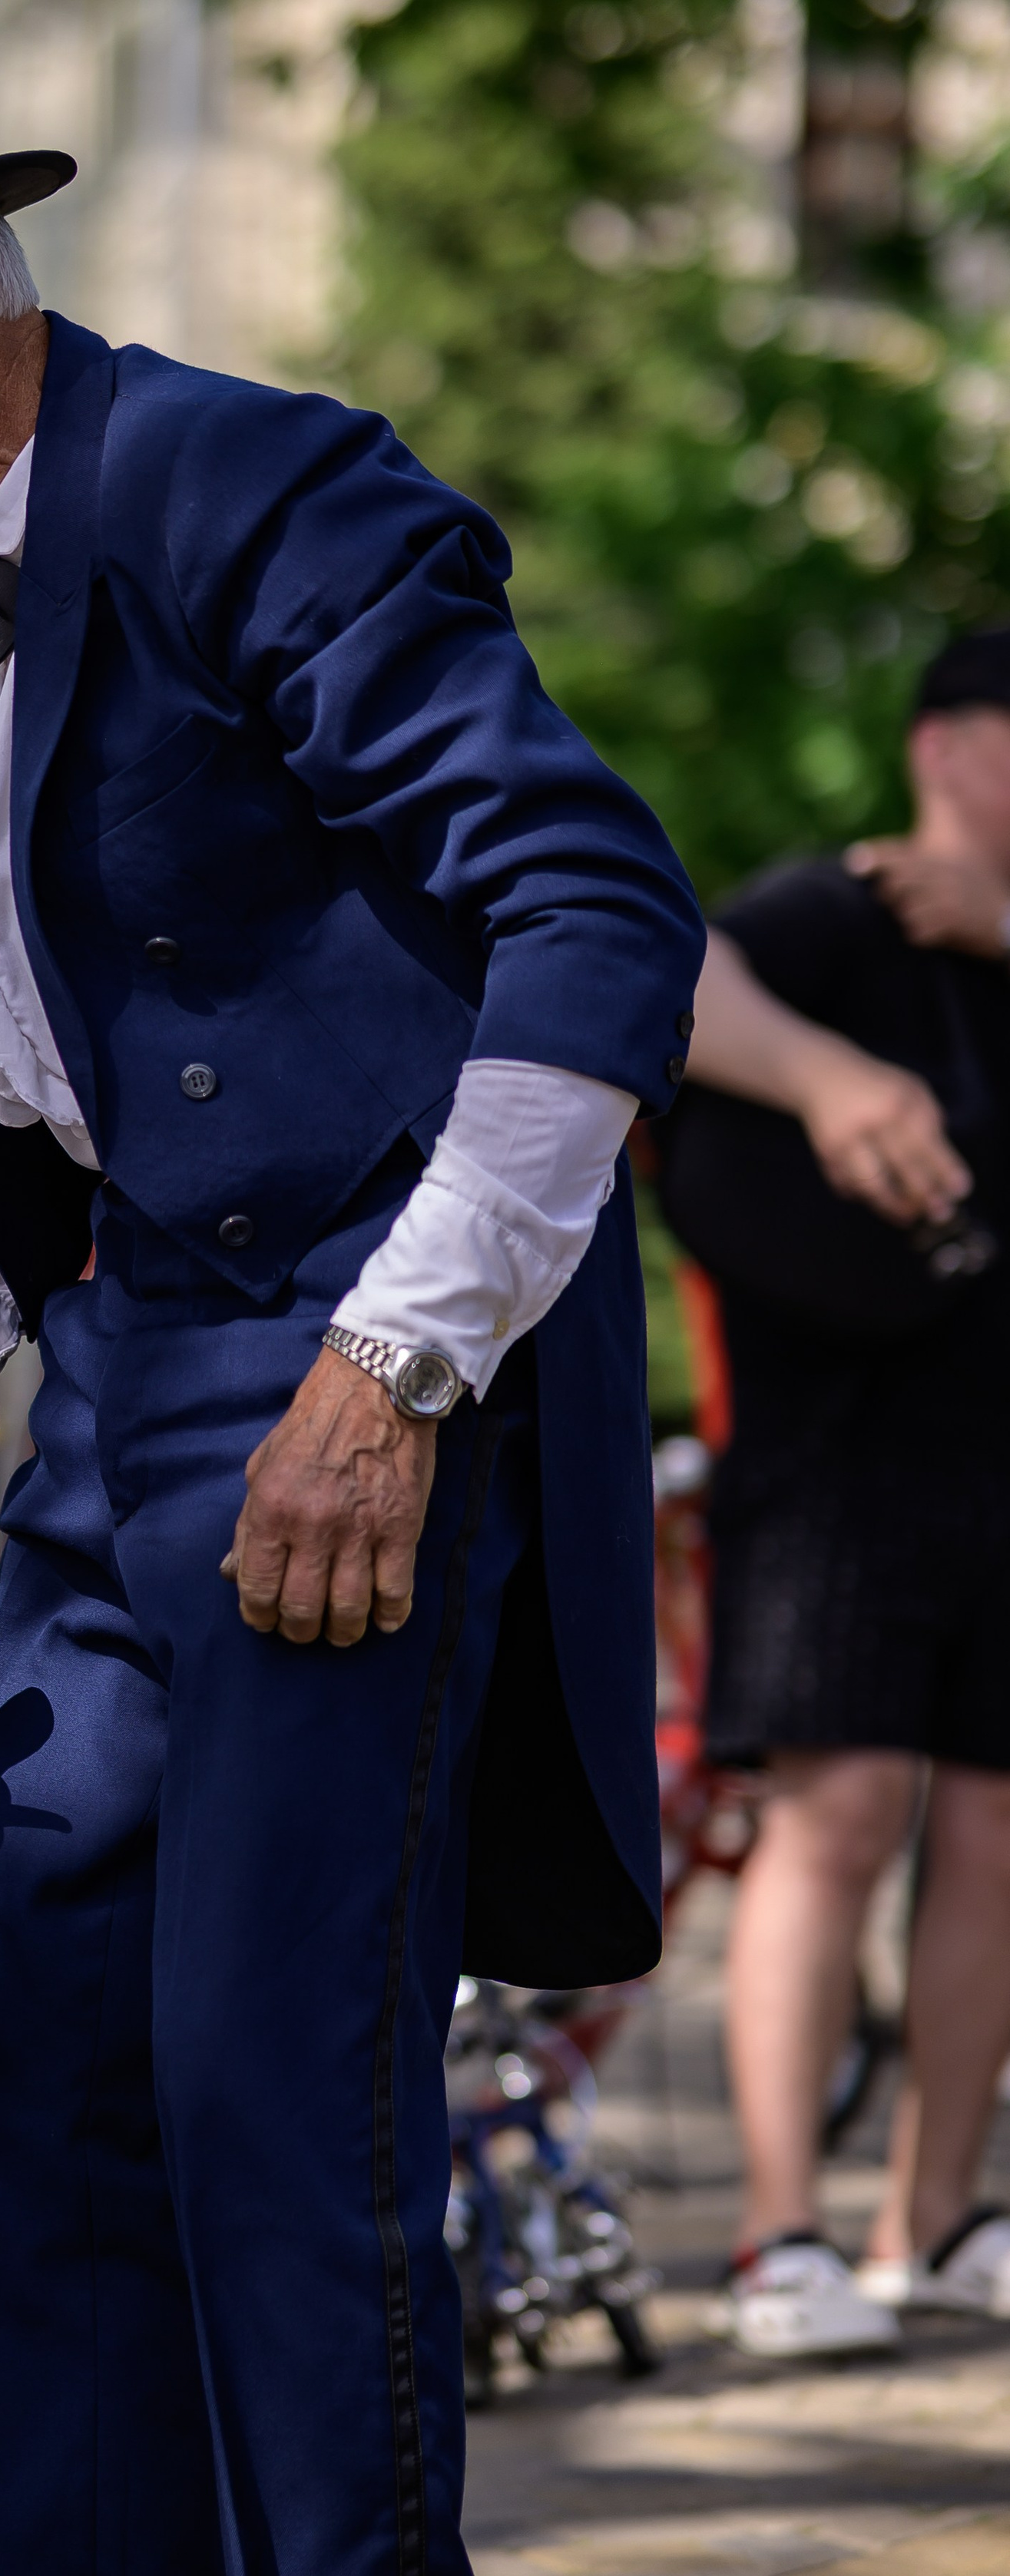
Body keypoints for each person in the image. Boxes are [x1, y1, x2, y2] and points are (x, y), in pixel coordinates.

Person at [0, 0, 703, 2576]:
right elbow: (32, 1080)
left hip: (354, 1381)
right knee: (22, 2061)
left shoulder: (250, 487)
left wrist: (396, 1373)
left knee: (265, 2104)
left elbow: (597, 910)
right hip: (117, 1404)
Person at [678, 628, 1010, 2359]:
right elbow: (654, 985)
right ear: (946, 745)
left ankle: (934, 2214)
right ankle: (775, 2233)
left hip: (992, 1453)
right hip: (827, 1457)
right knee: (837, 1812)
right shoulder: (822, 917)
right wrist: (829, 1078)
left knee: (989, 1828)